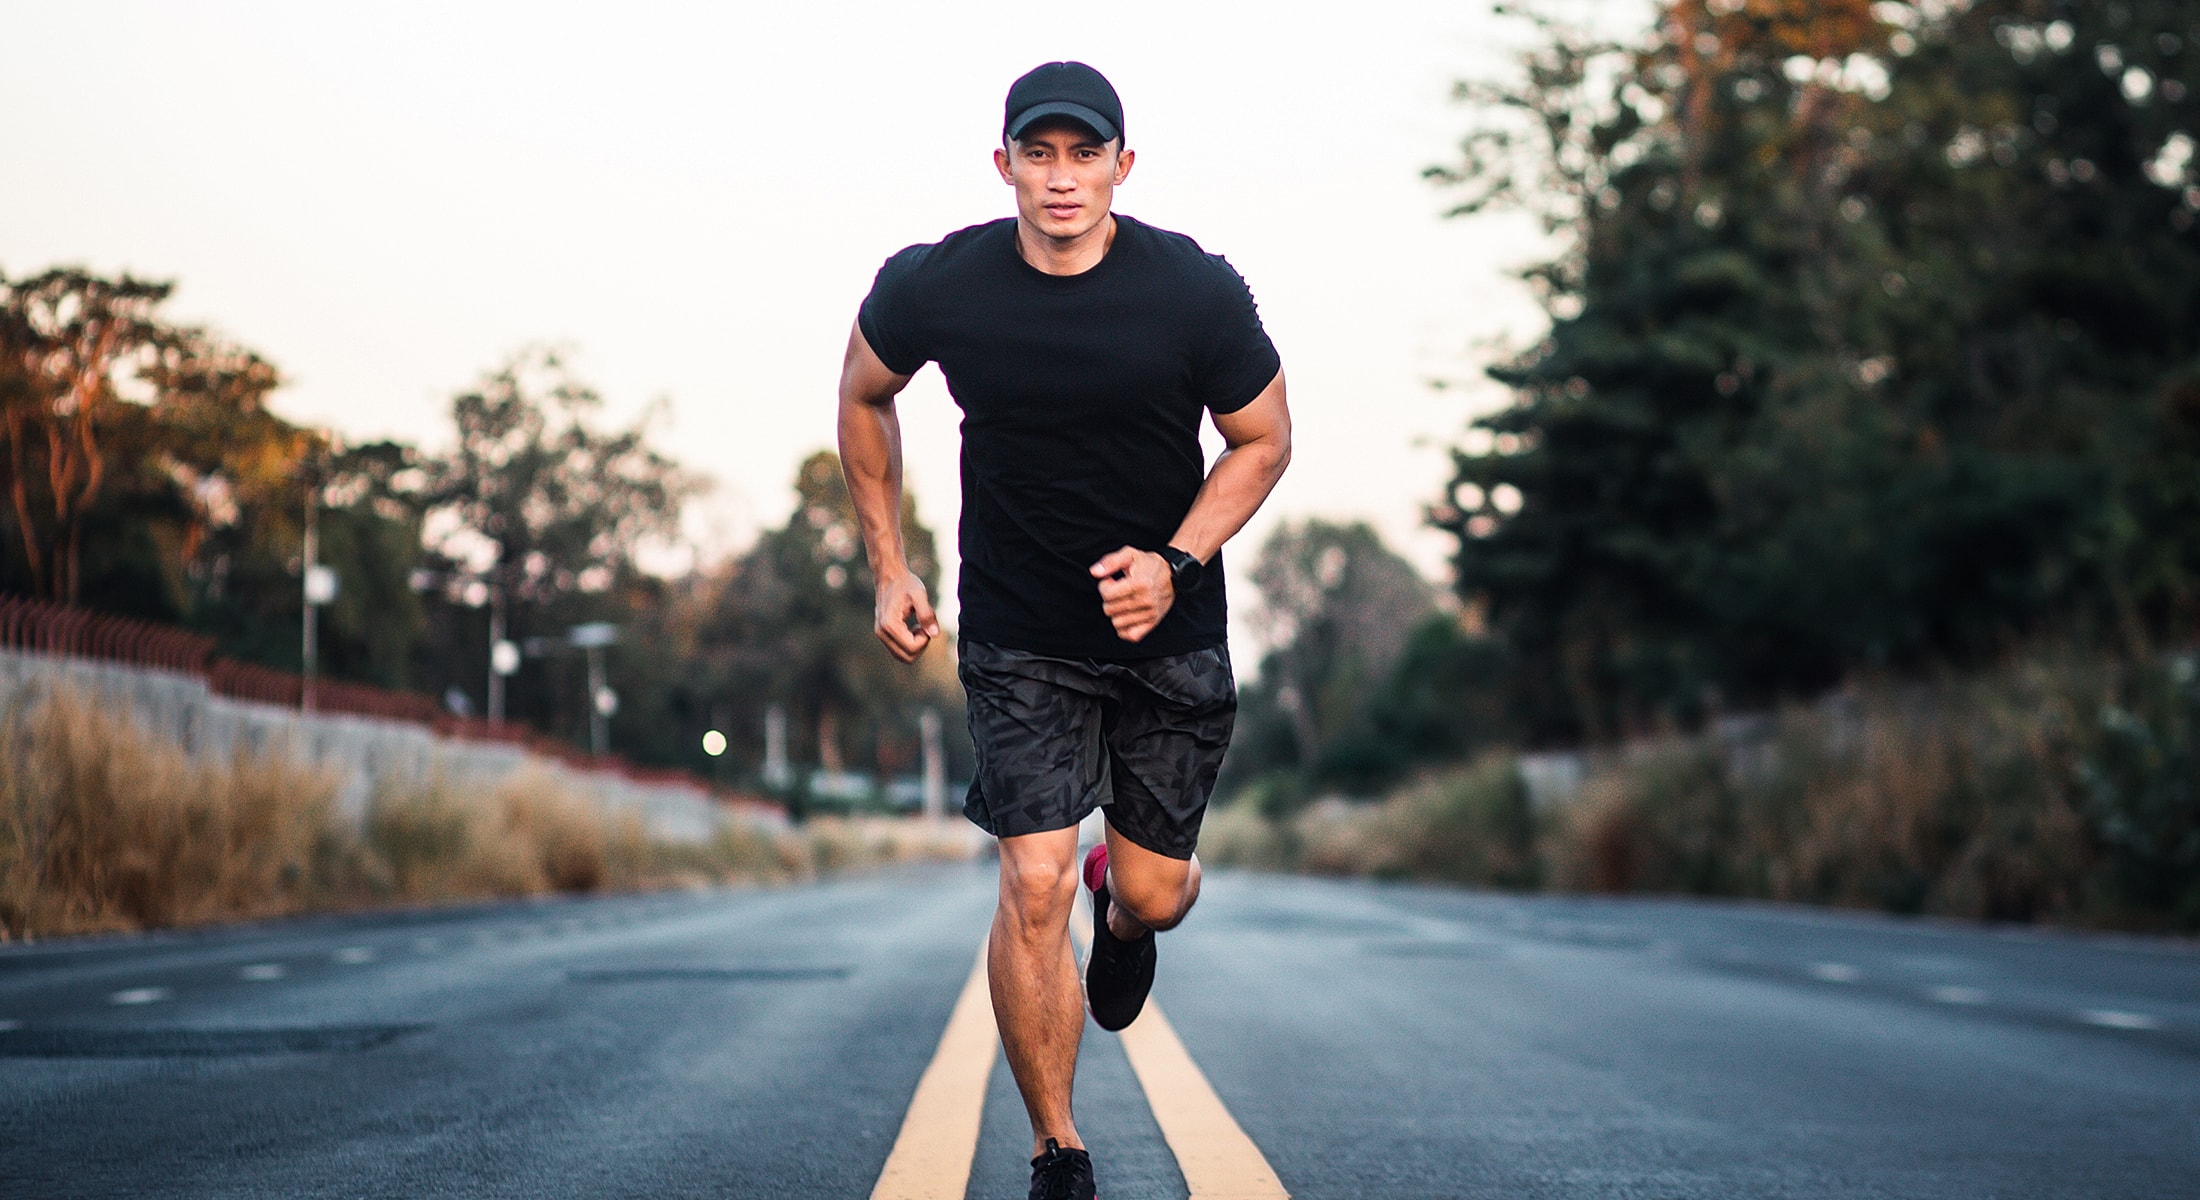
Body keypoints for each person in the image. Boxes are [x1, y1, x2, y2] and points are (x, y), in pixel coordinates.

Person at [837, 60, 1291, 1200]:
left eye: (1084, 154)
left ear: (1121, 168)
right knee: (1029, 883)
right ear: (1004, 167)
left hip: (1165, 634)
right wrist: (889, 565)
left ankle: (1124, 908)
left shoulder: (1192, 292)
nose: (1060, 178)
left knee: (1149, 894)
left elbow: (1263, 437)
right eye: (1037, 155)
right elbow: (861, 390)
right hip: (1017, 630)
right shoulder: (940, 283)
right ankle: (1057, 1150)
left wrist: (1175, 560)